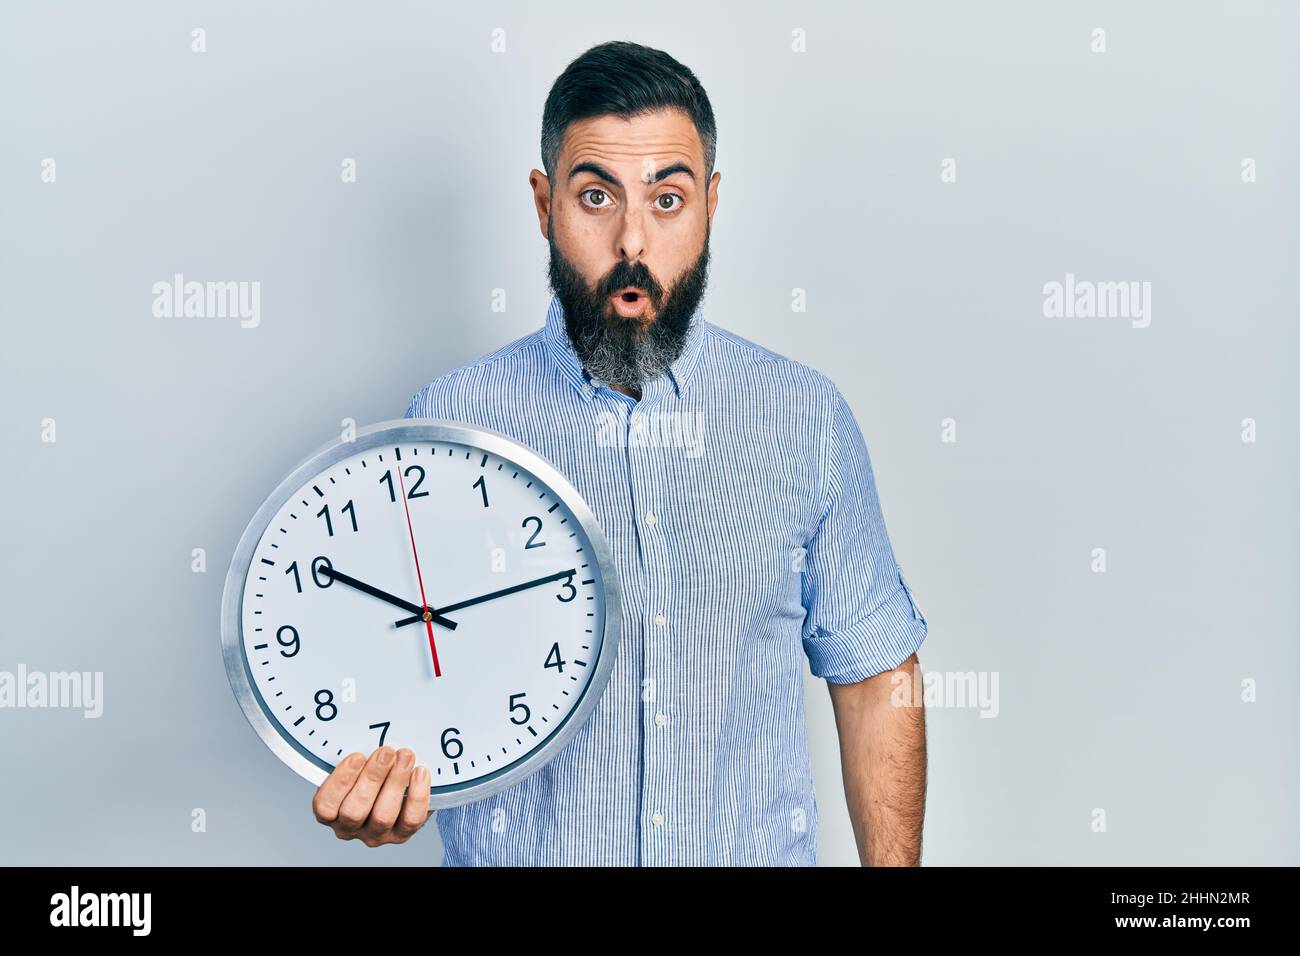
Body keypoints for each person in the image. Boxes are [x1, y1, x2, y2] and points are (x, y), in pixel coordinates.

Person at [312, 39, 929, 866]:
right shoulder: (452, 421)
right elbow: (408, 675)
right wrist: (381, 786)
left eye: (667, 200)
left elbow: (875, 680)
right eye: (596, 196)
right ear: (543, 204)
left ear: (711, 203)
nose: (632, 241)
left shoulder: (805, 418)